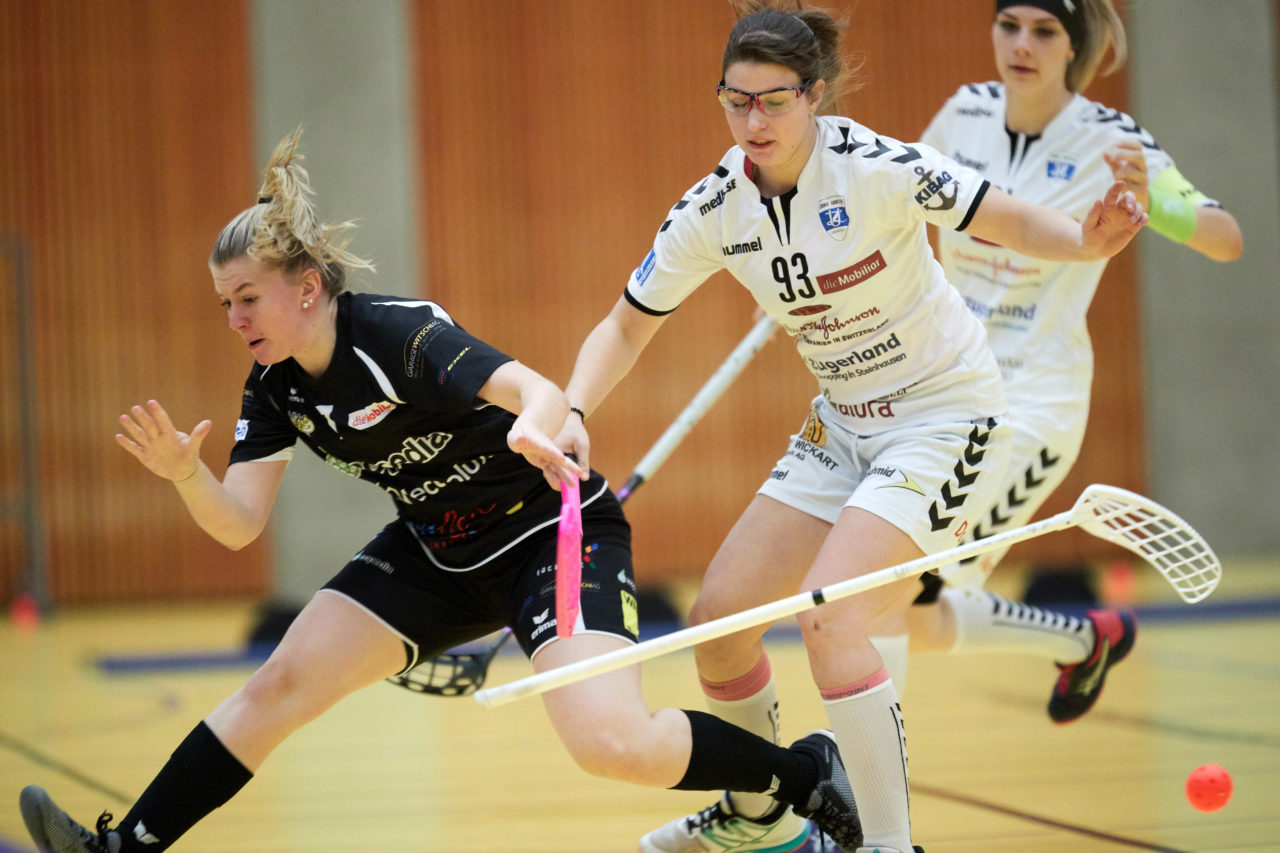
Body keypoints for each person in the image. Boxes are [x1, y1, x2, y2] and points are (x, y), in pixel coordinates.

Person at [16, 129, 866, 853]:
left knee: (612, 742)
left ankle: (802, 770)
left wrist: (538, 424)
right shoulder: (274, 387)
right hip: (435, 551)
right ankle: (123, 846)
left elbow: (534, 389)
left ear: (306, 288)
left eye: (247, 298)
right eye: (224, 304)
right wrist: (186, 476)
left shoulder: (397, 335)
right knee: (277, 686)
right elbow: (239, 523)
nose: (235, 319)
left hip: (550, 533)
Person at [555, 4, 1146, 852]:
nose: (754, 121)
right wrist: (574, 406)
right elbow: (624, 325)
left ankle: (890, 845)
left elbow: (1005, 216)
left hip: (944, 417)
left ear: (815, 94)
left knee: (833, 618)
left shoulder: (879, 167)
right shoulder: (716, 207)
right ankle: (761, 821)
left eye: (775, 101)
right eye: (736, 101)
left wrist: (1085, 242)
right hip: (841, 425)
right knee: (720, 625)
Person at [866, 0, 1243, 723]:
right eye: (1009, 25)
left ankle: (859, 784)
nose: (1022, 45)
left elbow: (1226, 238)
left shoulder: (1112, 138)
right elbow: (894, 205)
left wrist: (1154, 204)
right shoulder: (964, 112)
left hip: (1032, 406)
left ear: (1074, 46)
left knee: (886, 594)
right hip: (945, 391)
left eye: (1044, 32)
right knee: (912, 613)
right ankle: (1085, 638)